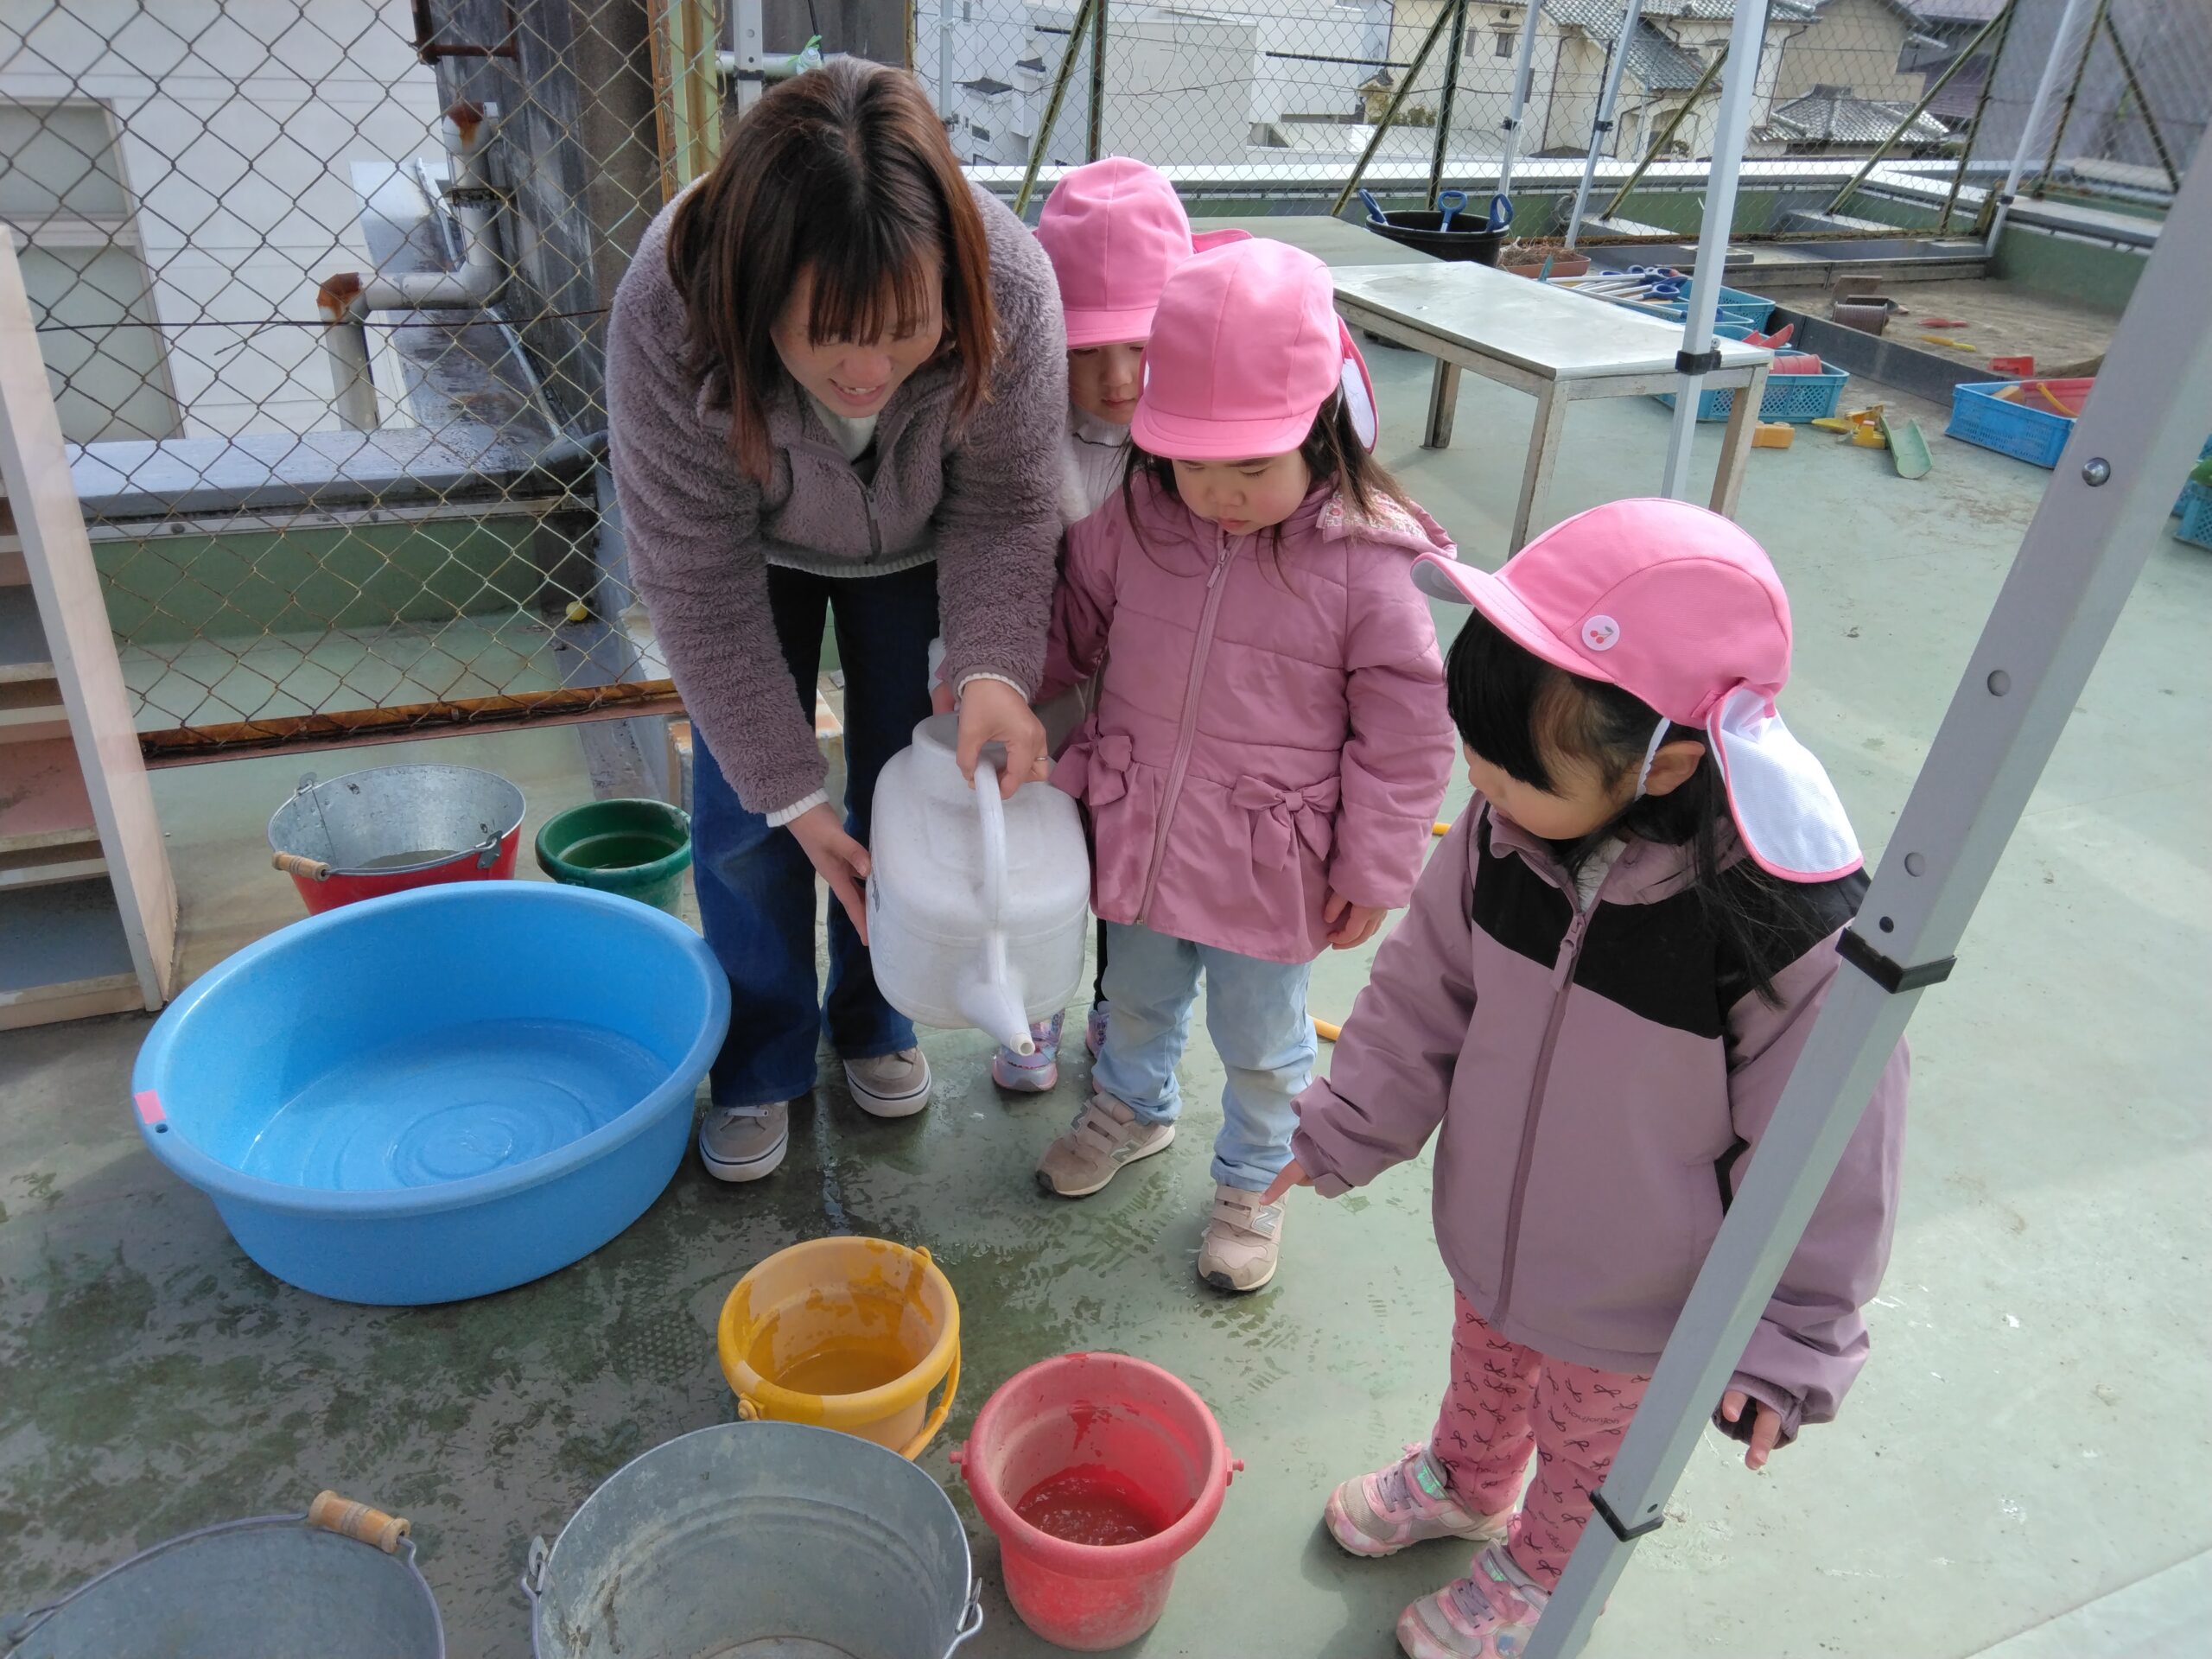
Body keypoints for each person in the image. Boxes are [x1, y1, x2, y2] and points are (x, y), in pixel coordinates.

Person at [1269, 499, 1910, 1659]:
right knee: (1486, 1366)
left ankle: (1544, 1575)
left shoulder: (1782, 931)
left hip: (1640, 1294)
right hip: (1498, 1233)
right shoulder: (1503, 833)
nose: (1480, 783)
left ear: (1667, 760)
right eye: (1477, 750)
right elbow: (1425, 987)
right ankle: (1467, 1482)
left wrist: (1796, 1335)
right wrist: (1350, 1120)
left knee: (1586, 1445)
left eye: (1515, 767)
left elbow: (1831, 1153)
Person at [606, 61, 1067, 1184]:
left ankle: (876, 1016)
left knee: (912, 788)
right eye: (825, 336)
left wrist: (995, 670)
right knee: (746, 820)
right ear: (757, 293)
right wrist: (791, 794)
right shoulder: (670, 304)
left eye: (904, 332)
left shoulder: (1011, 283)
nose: (867, 372)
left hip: (921, 544)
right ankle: (761, 1056)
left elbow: (1007, 510)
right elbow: (697, 583)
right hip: (748, 551)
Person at [1032, 238, 1456, 1294]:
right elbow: (1071, 627)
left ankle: (1255, 1176)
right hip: (1139, 828)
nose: (1219, 492)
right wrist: (995, 687)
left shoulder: (1367, 561)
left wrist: (1374, 868)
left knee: (1264, 1042)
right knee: (1133, 997)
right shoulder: (1136, 520)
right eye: (1193, 462)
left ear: (1318, 427)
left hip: (1271, 859)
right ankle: (1132, 1106)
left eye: (1253, 467)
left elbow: (1405, 734)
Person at [969, 156, 1246, 1097]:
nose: (1118, 377)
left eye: (1141, 343)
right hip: (1045, 677)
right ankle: (1035, 1001)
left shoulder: (1208, 431)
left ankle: (1112, 1007)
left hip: (1158, 692)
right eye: (1086, 349)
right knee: (1036, 842)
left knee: (1128, 857)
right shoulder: (1022, 424)